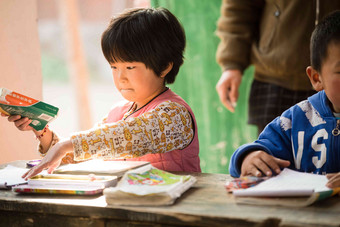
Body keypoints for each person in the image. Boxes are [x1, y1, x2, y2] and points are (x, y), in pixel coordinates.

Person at [1, 7, 201, 179]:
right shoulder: (118, 112)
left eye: (130, 67)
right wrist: (41, 129)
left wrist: (66, 145)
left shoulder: (175, 115)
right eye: (114, 67)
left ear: (165, 66)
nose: (120, 77)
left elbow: (127, 136)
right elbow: (77, 155)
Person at [229, 10, 340, 189]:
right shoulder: (296, 120)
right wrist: (249, 157)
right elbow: (263, 148)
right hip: (300, 214)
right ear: (317, 78)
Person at [215, 0, 340, 134]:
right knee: (270, 152)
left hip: (334, 81)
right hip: (275, 79)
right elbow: (240, 5)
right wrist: (232, 63)